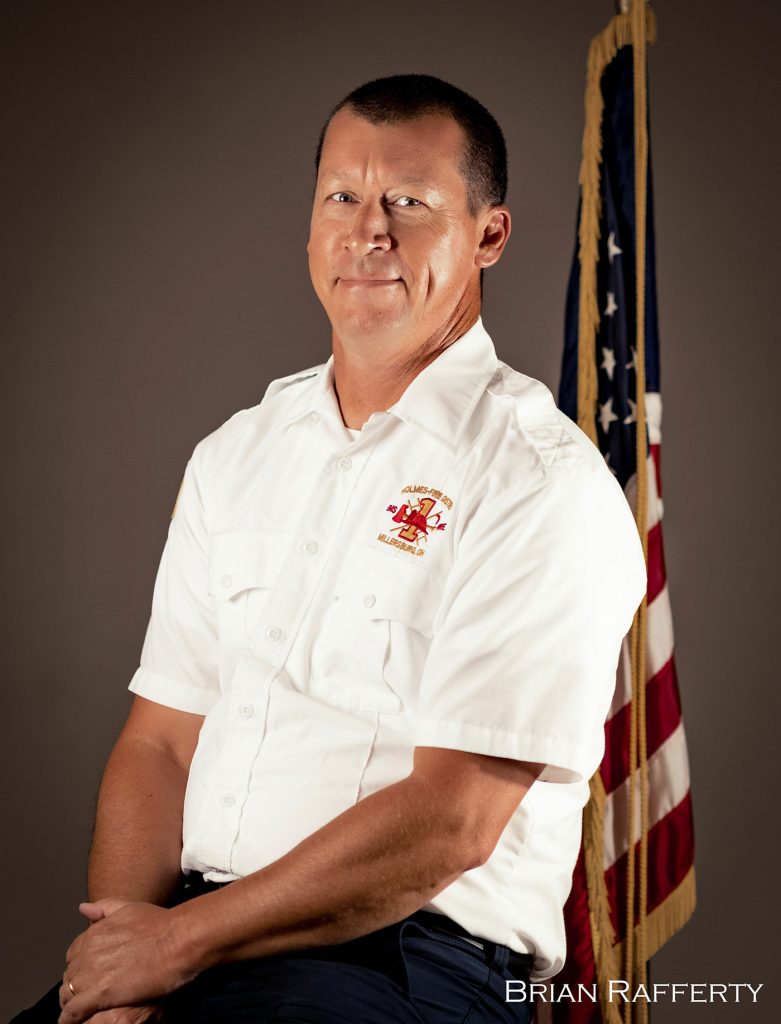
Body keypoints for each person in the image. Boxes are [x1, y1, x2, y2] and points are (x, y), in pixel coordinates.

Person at [12, 74, 646, 1024]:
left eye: (410, 203)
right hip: (192, 939)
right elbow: (160, 745)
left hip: (409, 965)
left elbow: (453, 819)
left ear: (489, 236)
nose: (369, 231)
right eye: (342, 197)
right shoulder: (236, 454)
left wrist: (177, 946)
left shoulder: (538, 481)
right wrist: (124, 959)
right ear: (310, 226)